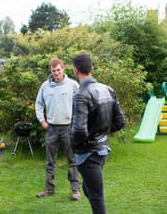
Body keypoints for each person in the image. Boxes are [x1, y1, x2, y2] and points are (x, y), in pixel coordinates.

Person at [70, 54, 126, 214]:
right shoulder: (107, 89)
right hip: (102, 151)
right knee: (88, 190)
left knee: (96, 198)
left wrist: (74, 143)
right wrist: (101, 133)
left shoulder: (81, 94)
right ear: (92, 68)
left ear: (75, 70)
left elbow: (79, 131)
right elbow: (120, 121)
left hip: (90, 153)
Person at [35, 58, 81, 201]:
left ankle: (75, 190)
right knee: (50, 161)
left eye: (58, 70)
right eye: (53, 70)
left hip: (68, 128)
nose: (56, 73)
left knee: (72, 159)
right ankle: (49, 189)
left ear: (63, 69)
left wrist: (77, 123)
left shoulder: (73, 85)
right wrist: (42, 120)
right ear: (51, 71)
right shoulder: (45, 86)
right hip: (52, 129)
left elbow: (81, 105)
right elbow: (38, 104)